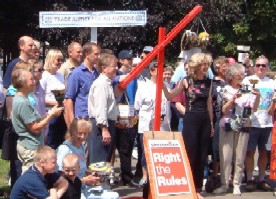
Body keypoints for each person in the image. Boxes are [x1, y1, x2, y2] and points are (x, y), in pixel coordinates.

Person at [163, 53, 214, 199]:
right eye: (203, 65)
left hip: (204, 118)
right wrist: (162, 86)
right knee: (190, 153)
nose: (206, 67)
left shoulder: (209, 82)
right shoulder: (186, 81)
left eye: (207, 65)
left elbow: (209, 103)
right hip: (191, 118)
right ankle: (188, 185)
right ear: (196, 66)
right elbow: (170, 96)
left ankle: (197, 188)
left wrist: (211, 123)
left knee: (202, 155)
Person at [213, 63, 260, 195]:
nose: (240, 76)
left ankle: (236, 185)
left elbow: (254, 108)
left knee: (240, 157)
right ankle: (224, 184)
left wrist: (258, 97)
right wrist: (233, 99)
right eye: (237, 74)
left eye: (242, 73)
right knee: (225, 157)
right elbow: (223, 110)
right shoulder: (224, 89)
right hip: (227, 123)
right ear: (231, 76)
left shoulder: (247, 89)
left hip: (243, 123)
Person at [11, 65, 63, 172]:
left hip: (33, 145)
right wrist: (51, 115)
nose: (34, 81)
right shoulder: (22, 102)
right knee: (32, 177)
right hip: (30, 147)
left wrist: (51, 111)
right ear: (22, 82)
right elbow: (35, 128)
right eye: (31, 79)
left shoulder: (24, 99)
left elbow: (36, 119)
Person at [56, 118, 119, 199]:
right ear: (72, 132)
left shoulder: (81, 146)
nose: (82, 137)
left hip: (83, 187)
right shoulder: (65, 149)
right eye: (79, 133)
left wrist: (90, 174)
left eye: (85, 133)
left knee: (113, 196)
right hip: (70, 190)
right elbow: (60, 176)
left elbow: (81, 169)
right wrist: (84, 180)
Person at [135, 61, 170, 187]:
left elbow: (167, 103)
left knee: (160, 150)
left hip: (162, 124)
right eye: (156, 69)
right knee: (145, 152)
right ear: (151, 71)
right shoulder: (143, 86)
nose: (159, 72)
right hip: (146, 124)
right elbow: (137, 105)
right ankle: (145, 176)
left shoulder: (165, 86)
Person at [243, 56, 276, 192]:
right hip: (252, 122)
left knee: (263, 152)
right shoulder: (248, 80)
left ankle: (262, 179)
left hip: (267, 123)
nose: (261, 68)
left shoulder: (272, 83)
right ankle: (250, 178)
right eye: (258, 65)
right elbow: (243, 100)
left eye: (263, 65)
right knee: (249, 152)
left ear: (267, 67)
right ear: (254, 66)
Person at [88, 53, 121, 164]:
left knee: (105, 160)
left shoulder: (107, 84)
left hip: (107, 124)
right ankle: (98, 181)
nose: (116, 68)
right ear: (104, 68)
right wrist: (104, 129)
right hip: (100, 126)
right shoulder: (101, 84)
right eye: (113, 66)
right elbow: (100, 108)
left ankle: (102, 180)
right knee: (99, 161)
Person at [64, 42, 101, 129]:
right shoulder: (76, 74)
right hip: (82, 118)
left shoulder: (97, 73)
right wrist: (72, 122)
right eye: (96, 54)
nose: (98, 57)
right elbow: (69, 99)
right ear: (87, 54)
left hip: (95, 117)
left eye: (99, 54)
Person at [40, 49, 67, 149]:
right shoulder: (44, 76)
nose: (60, 63)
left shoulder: (60, 75)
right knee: (50, 142)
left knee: (60, 141)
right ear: (51, 60)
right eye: (58, 60)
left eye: (61, 60)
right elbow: (41, 98)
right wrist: (56, 103)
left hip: (61, 113)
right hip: (50, 113)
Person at [210, 56, 229, 177]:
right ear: (217, 68)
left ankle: (227, 174)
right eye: (224, 66)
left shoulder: (230, 82)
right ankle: (215, 175)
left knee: (228, 147)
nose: (226, 68)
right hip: (217, 117)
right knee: (216, 147)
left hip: (229, 117)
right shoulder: (212, 83)